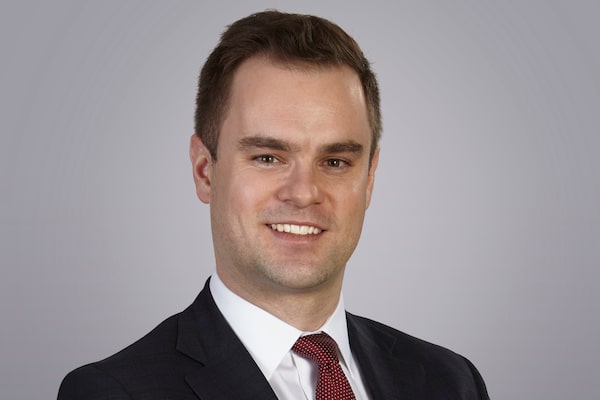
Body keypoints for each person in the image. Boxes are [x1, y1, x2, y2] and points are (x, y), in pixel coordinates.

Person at [58, 10, 489, 400]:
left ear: (369, 179)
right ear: (205, 170)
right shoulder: (112, 392)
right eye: (268, 158)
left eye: (335, 161)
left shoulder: (451, 382)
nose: (303, 193)